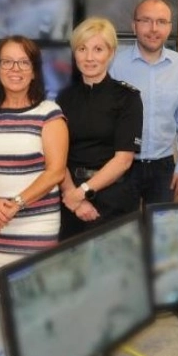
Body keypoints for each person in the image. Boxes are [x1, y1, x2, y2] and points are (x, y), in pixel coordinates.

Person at [0, 36, 68, 268]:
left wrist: (16, 204)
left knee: (35, 293)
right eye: (7, 62)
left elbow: (56, 171)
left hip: (36, 225)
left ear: (34, 72)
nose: (15, 69)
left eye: (24, 62)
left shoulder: (49, 113)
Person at [56, 17, 142, 239]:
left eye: (98, 49)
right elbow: (57, 156)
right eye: (82, 49)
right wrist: (73, 197)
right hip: (70, 199)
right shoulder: (63, 98)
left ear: (111, 53)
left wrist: (84, 191)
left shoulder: (128, 98)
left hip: (114, 200)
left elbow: (123, 160)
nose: (89, 57)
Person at [109, 0, 178, 205]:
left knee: (159, 233)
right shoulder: (114, 64)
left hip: (164, 168)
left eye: (161, 22)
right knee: (121, 233)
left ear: (169, 27)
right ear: (134, 25)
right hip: (121, 164)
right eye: (146, 20)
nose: (153, 28)